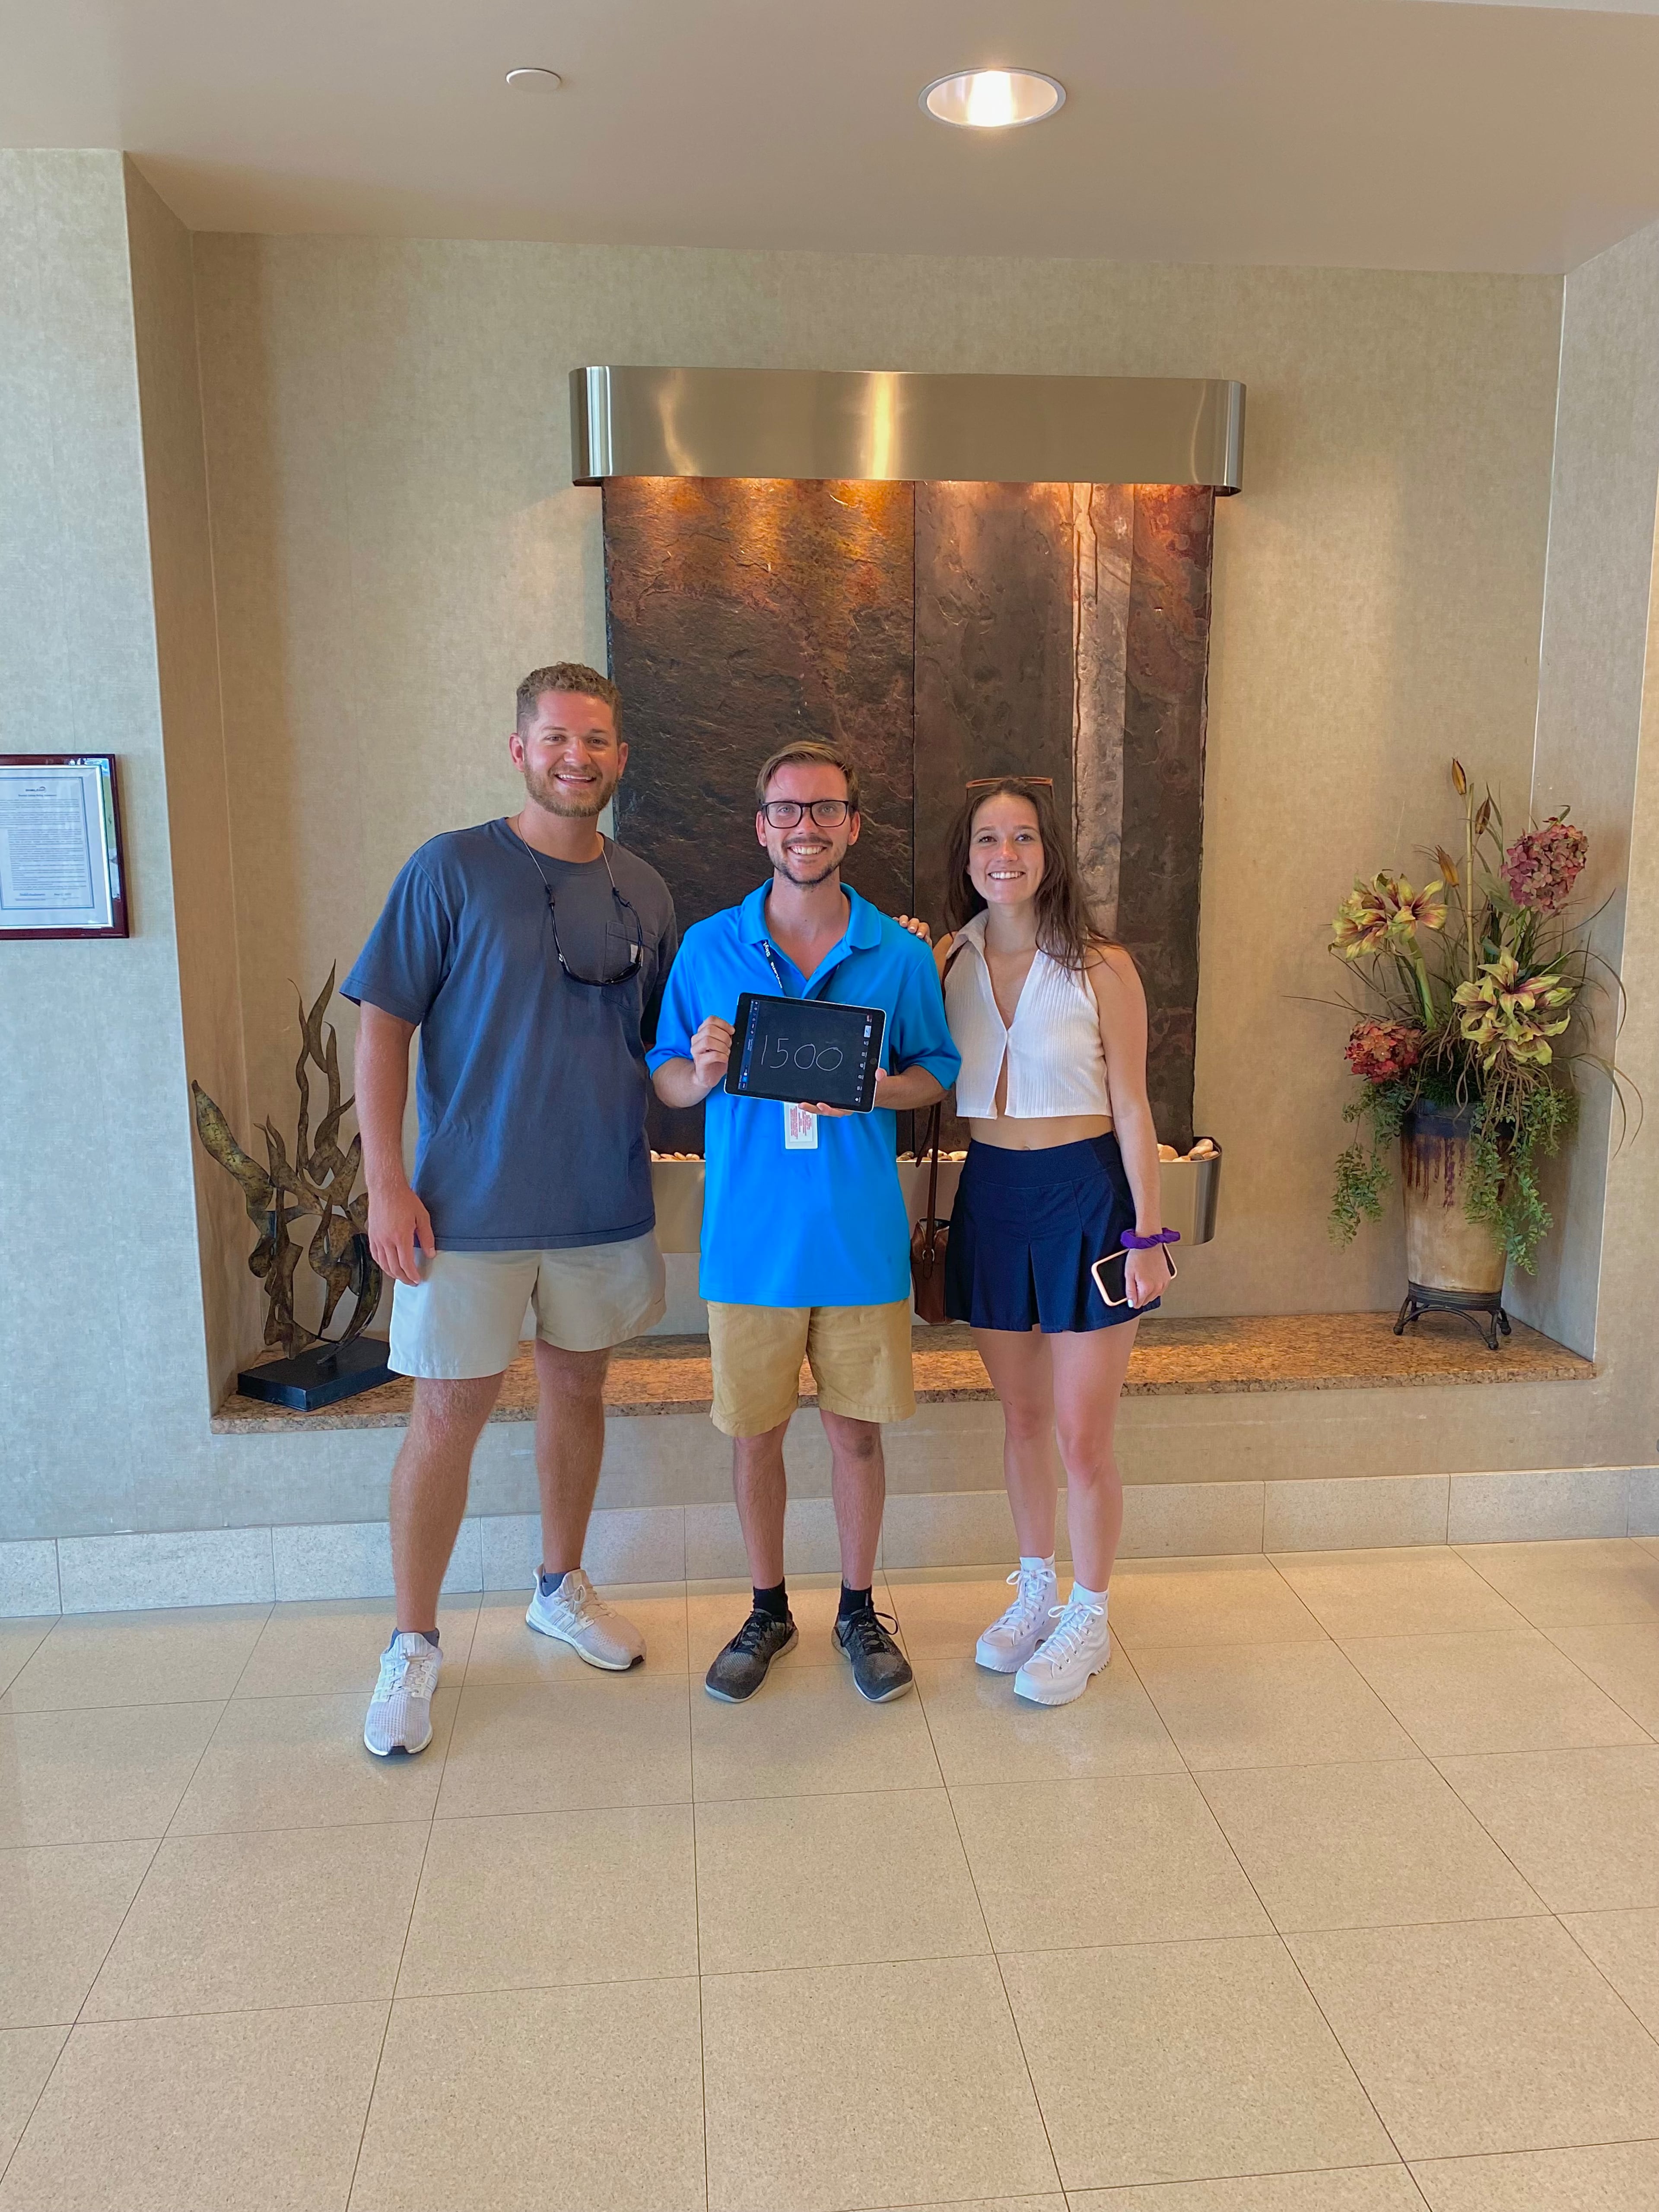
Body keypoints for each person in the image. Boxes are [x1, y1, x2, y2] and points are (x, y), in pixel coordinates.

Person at [344, 662, 677, 1757]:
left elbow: (660, 1052)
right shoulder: (451, 870)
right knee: (446, 1415)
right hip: (466, 1211)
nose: (576, 756)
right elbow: (383, 1026)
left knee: (580, 1389)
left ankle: (559, 1585)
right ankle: (413, 1643)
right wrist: (386, 1182)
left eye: (597, 740)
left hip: (601, 1202)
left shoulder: (649, 889)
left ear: (621, 760)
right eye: (556, 737)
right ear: (520, 749)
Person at [649, 742, 960, 1704]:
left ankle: (860, 1609)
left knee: (858, 1438)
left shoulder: (899, 955)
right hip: (747, 1246)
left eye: (824, 810)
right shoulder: (709, 947)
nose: (805, 827)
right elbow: (662, 1072)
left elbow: (936, 1069)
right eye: (786, 811)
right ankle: (768, 1607)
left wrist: (877, 1088)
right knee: (756, 1438)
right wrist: (696, 1074)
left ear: (854, 825)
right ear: (760, 827)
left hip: (860, 1243)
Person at [933, 777, 1172, 1706]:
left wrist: (1148, 1233)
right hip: (991, 1192)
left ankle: (1090, 1612)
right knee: (1022, 1420)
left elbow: (1134, 1103)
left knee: (1082, 1434)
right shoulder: (943, 961)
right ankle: (1034, 1589)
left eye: (1023, 837)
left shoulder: (1100, 963)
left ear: (1049, 852)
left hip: (1085, 1196)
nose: (1006, 854)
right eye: (988, 837)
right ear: (967, 856)